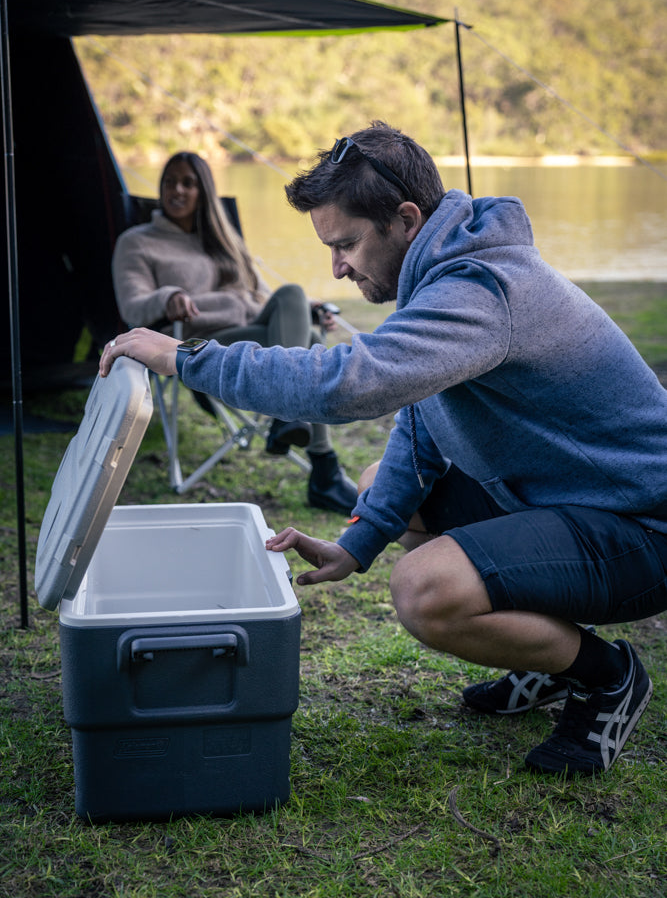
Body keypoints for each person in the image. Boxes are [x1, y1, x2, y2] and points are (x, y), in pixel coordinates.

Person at [100, 120, 667, 777]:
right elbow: (421, 423)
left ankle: (606, 676)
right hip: (560, 501)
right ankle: (545, 658)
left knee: (424, 591)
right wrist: (359, 540)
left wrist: (185, 356)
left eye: (345, 244)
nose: (337, 267)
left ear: (403, 219)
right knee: (378, 484)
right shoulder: (443, 275)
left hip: (641, 526)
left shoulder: (479, 290)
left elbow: (346, 385)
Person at [111, 151, 357, 516]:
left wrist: (310, 310)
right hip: (200, 345)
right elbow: (132, 306)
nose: (176, 190)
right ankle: (319, 463)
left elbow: (261, 298)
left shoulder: (225, 240)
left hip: (253, 333)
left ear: (204, 192)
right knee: (308, 339)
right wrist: (168, 297)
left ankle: (308, 449)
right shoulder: (138, 242)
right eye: (169, 182)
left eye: (187, 183)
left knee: (298, 306)